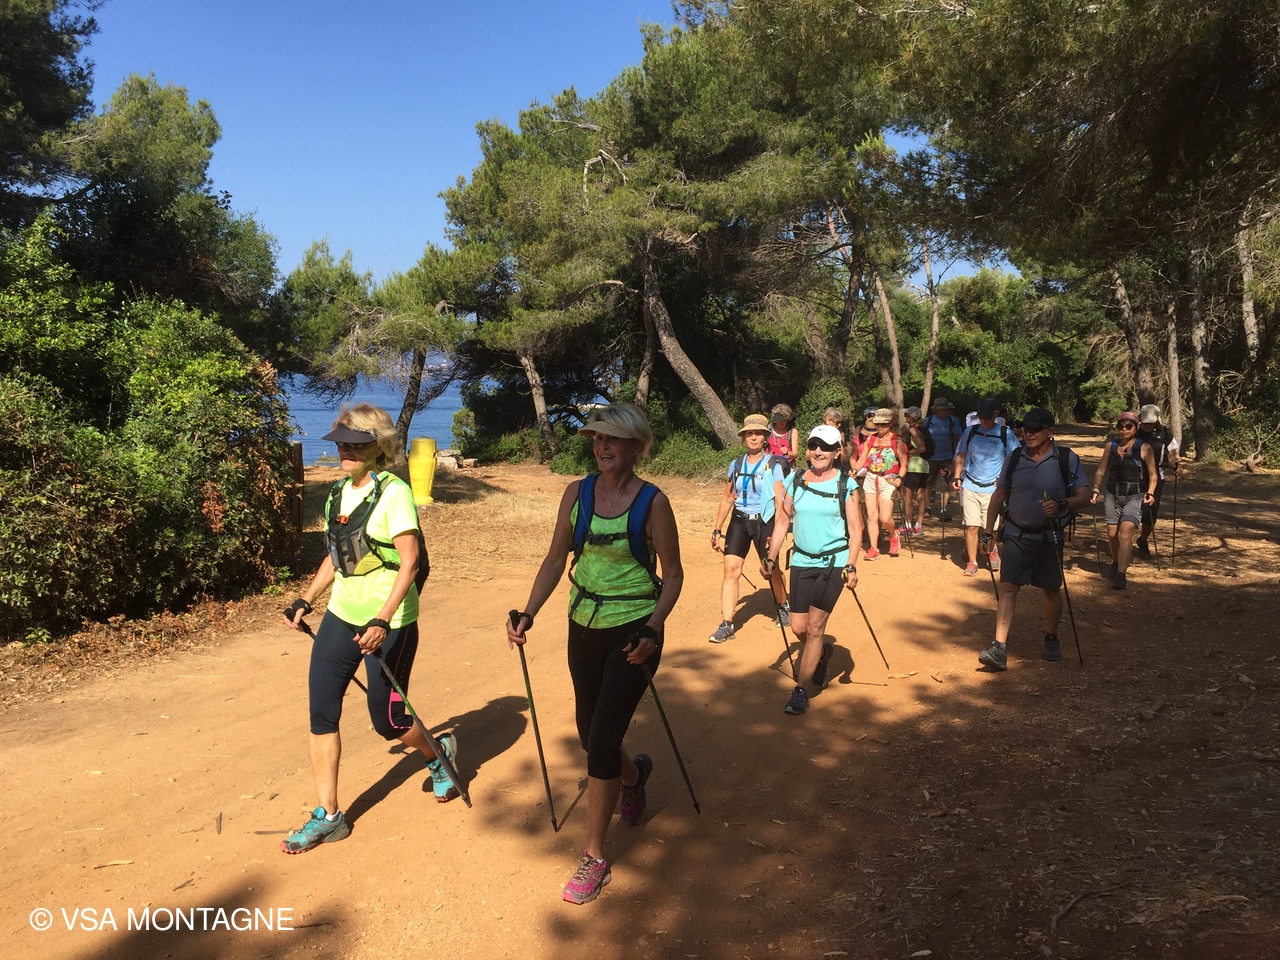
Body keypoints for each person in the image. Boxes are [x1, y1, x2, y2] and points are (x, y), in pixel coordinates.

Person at [505, 403, 683, 905]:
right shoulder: (576, 493)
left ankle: (594, 858)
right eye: (597, 439)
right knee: (589, 735)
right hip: (582, 626)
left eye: (613, 439)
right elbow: (555, 559)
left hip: (634, 633)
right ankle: (633, 776)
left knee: (601, 740)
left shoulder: (653, 502)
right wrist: (529, 612)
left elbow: (673, 575)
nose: (602, 447)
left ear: (636, 446)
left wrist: (653, 628)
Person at [280, 404, 448, 855]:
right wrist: (305, 599)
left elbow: (409, 563)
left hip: (389, 621)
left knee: (388, 721)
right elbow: (337, 555)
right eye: (341, 442)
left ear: (380, 447)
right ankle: (329, 815)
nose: (346, 450)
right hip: (342, 614)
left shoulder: (395, 493)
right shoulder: (337, 493)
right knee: (322, 711)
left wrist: (382, 618)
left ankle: (436, 754)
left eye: (356, 444)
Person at [976, 409, 1092, 670]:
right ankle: (999, 647)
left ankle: (1051, 636)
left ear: (1050, 432)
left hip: (1049, 536)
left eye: (1035, 429)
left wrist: (1061, 503)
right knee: (1008, 587)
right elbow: (999, 495)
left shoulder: (1066, 458)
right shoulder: (1015, 457)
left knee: (1050, 589)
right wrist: (988, 532)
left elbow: (1084, 497)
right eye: (1025, 429)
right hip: (1016, 533)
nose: (1028, 433)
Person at [764, 425, 863, 716]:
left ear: (837, 452)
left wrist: (851, 564)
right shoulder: (794, 480)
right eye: (814, 446)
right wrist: (771, 558)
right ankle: (822, 653)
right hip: (801, 561)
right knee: (798, 627)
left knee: (815, 627)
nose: (818, 451)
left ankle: (801, 690)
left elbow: (856, 530)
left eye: (826, 447)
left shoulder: (846, 485)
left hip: (833, 562)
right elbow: (782, 522)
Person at [709, 414, 790, 643]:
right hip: (740, 520)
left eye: (758, 433)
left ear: (765, 437)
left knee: (770, 568)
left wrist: (778, 531)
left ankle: (783, 604)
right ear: (743, 437)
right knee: (730, 570)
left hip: (765, 520)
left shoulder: (773, 465)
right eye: (749, 434)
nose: (753, 437)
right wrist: (717, 529)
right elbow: (727, 498)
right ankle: (727, 624)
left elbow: (779, 501)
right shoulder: (736, 464)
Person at [951, 397, 1019, 576]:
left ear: (995, 415)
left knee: (991, 529)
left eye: (988, 418)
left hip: (994, 489)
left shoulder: (1005, 433)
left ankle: (991, 548)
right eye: (982, 418)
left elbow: (1015, 458)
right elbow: (961, 454)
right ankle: (972, 562)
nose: (985, 422)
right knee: (972, 526)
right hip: (970, 485)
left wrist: (1006, 481)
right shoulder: (971, 431)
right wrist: (957, 476)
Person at [1090, 410, 1157, 589]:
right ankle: (1116, 561)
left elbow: (1153, 474)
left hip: (1135, 495)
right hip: (1112, 494)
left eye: (1128, 426)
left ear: (1136, 427)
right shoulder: (1111, 446)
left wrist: (1150, 492)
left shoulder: (1144, 448)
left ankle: (1121, 574)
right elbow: (1101, 470)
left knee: (1125, 533)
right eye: (1121, 426)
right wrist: (1095, 488)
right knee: (1112, 534)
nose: (1124, 429)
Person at [851, 408, 908, 558]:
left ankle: (893, 534)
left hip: (889, 480)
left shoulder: (897, 440)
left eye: (883, 424)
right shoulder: (870, 439)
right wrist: (855, 470)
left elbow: (904, 463)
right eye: (877, 424)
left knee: (885, 517)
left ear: (890, 423)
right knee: (871, 516)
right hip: (871, 478)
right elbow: (863, 459)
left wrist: (900, 477)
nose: (880, 427)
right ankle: (873, 548)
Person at [1136, 403, 1180, 559]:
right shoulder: (1134, 432)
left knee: (1150, 512)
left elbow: (1172, 455)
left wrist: (1175, 464)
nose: (1148, 426)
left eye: (1151, 423)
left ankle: (1143, 539)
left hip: (1157, 477)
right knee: (1131, 510)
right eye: (1145, 423)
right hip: (1134, 476)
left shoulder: (1165, 434)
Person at [925, 398, 963, 520]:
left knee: (945, 484)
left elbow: (957, 438)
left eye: (948, 409)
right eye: (944, 409)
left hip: (947, 457)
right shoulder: (929, 421)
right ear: (937, 410)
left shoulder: (953, 421)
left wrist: (955, 456)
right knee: (928, 483)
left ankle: (943, 509)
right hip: (931, 457)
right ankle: (927, 508)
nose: (947, 411)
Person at [901, 406, 930, 534]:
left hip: (913, 466)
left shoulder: (913, 430)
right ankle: (919, 524)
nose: (905, 418)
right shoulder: (923, 430)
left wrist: (906, 453)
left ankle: (908, 524)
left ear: (912, 417)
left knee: (907, 496)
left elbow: (922, 448)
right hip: (924, 466)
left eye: (907, 415)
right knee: (920, 495)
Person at [767, 403, 799, 470]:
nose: (781, 422)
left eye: (784, 420)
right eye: (779, 419)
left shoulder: (792, 431)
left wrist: (788, 453)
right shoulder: (769, 428)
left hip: (786, 466)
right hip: (769, 463)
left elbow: (795, 454)